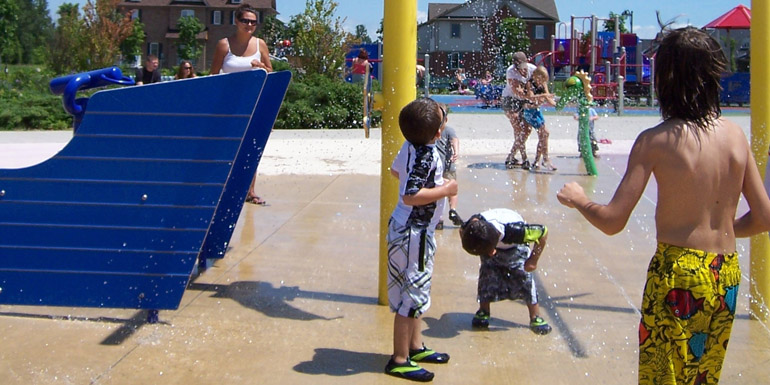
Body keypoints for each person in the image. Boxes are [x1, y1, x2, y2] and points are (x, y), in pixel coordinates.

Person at [556, 27, 770, 385]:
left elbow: (612, 221)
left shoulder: (655, 141)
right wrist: (727, 230)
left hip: (678, 274)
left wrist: (579, 200)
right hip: (726, 273)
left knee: (664, 377)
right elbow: (764, 217)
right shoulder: (735, 136)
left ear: (665, 79)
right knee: (702, 377)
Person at [385, 98, 458, 382]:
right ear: (438, 133)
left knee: (412, 291)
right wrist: (445, 190)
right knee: (412, 296)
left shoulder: (409, 146)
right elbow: (410, 195)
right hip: (415, 232)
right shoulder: (426, 155)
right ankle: (400, 359)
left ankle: (414, 347)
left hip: (403, 228)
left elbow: (395, 172)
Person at [210, 4, 273, 206]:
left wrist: (260, 66)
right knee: (225, 147)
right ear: (237, 21)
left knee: (251, 147)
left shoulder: (260, 45)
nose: (249, 25)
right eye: (245, 20)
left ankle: (250, 191)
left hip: (253, 102)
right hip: (227, 104)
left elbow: (271, 72)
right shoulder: (223, 45)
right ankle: (221, 188)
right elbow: (212, 76)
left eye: (253, 22)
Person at [459, 208, 551, 335]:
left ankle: (535, 316)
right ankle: (483, 310)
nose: (492, 254)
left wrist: (533, 260)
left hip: (515, 246)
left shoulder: (516, 232)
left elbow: (543, 233)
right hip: (485, 240)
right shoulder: (474, 226)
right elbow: (461, 230)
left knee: (524, 277)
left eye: (490, 251)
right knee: (487, 274)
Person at [502, 52, 535, 169]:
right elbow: (517, 91)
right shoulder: (510, 71)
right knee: (518, 128)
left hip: (523, 101)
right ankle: (525, 158)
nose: (519, 70)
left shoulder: (533, 70)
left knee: (527, 129)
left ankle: (511, 156)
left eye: (520, 67)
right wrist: (532, 97)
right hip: (509, 99)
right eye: (517, 67)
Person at [523, 65, 556, 171]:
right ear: (536, 76)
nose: (542, 82)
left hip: (537, 111)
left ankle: (537, 161)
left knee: (544, 135)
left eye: (544, 80)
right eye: (541, 79)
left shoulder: (543, 83)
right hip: (529, 111)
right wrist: (545, 97)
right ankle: (544, 159)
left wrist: (557, 105)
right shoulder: (529, 83)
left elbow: (548, 97)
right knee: (544, 133)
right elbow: (531, 97)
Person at [435, 117, 461, 230]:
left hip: (442, 167)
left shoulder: (445, 130)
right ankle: (452, 210)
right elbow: (455, 140)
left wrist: (456, 151)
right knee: (452, 190)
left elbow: (455, 140)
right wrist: (456, 152)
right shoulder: (444, 130)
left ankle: (440, 218)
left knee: (439, 192)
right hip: (444, 167)